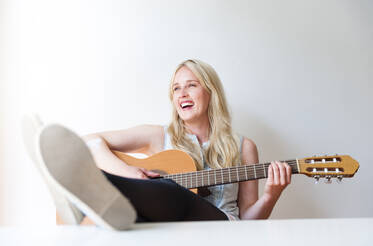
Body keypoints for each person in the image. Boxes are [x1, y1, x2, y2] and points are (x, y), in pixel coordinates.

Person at [33, 59, 292, 230]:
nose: (182, 94)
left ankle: (87, 187)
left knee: (173, 192)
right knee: (141, 219)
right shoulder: (158, 136)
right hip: (170, 228)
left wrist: (272, 195)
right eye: (176, 89)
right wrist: (131, 173)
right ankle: (89, 198)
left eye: (192, 85)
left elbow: (248, 220)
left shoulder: (244, 146)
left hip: (221, 229)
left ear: (211, 93)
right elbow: (89, 143)